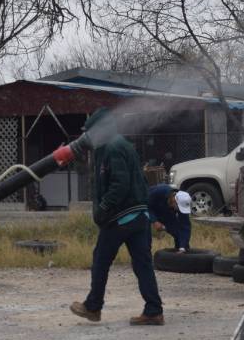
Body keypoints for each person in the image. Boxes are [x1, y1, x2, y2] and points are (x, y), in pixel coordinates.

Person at [69, 108, 164, 326]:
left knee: (100, 261)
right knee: (143, 265)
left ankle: (93, 307)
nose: (87, 136)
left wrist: (103, 208)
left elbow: (119, 185)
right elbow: (92, 175)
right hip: (139, 216)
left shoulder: (112, 148)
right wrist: (76, 158)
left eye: (90, 131)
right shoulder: (112, 146)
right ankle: (154, 311)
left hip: (122, 217)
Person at [146, 184, 193, 252]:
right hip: (147, 210)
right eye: (178, 207)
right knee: (145, 240)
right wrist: (154, 221)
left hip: (166, 213)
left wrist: (182, 247)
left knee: (178, 234)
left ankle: (180, 253)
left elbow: (185, 226)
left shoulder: (182, 203)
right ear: (174, 199)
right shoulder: (159, 191)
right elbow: (144, 205)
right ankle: (145, 259)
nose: (179, 210)